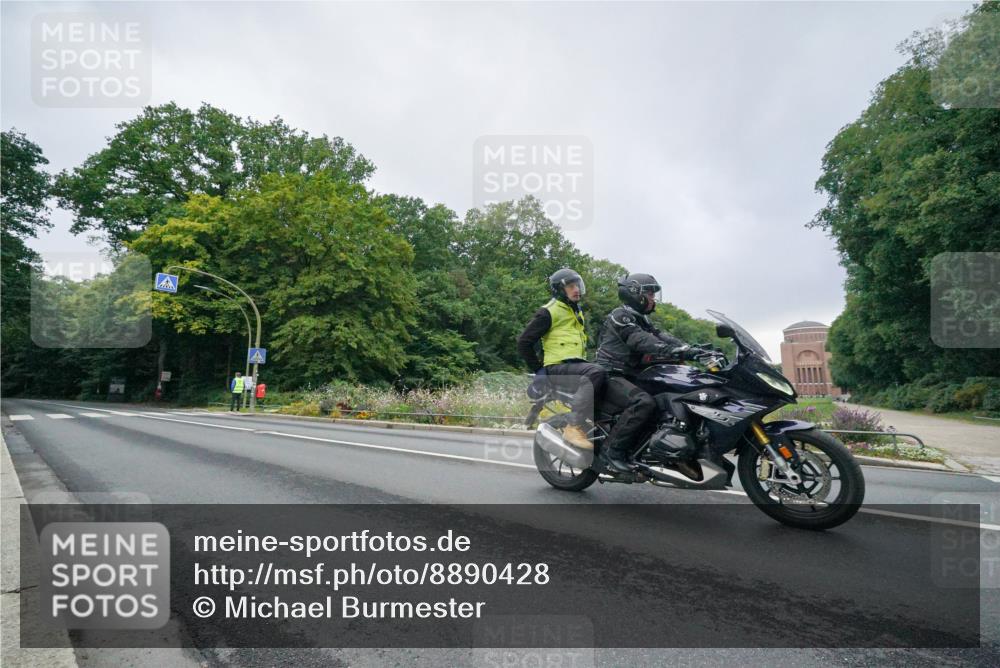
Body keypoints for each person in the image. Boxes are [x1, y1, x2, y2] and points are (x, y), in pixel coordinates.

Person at [595, 273, 701, 472]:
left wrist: (692, 349)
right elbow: (639, 339)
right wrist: (671, 350)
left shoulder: (641, 319)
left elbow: (662, 336)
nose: (653, 299)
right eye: (650, 294)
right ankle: (611, 452)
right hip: (612, 374)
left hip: (633, 375)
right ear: (636, 294)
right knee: (642, 402)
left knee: (670, 394)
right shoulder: (620, 316)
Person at [517, 268, 607, 450]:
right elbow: (523, 342)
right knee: (596, 373)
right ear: (560, 289)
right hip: (557, 367)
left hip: (575, 366)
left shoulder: (575, 311)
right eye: (571, 286)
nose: (576, 290)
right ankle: (573, 426)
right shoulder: (549, 312)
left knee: (609, 378)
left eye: (577, 286)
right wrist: (539, 369)